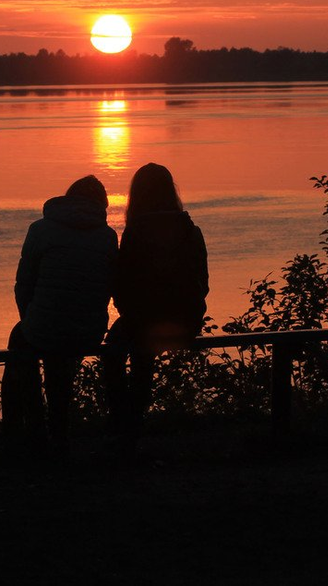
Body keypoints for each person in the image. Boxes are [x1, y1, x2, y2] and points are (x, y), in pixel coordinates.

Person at [4, 175, 118, 450]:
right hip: (88, 329)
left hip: (44, 326)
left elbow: (24, 285)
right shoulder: (107, 236)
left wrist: (31, 319)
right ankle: (57, 433)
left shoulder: (41, 230)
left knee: (22, 341)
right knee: (58, 353)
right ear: (100, 204)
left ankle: (25, 429)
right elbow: (108, 287)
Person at [103, 163, 208, 450]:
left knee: (115, 350)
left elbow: (122, 285)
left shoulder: (136, 232)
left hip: (145, 323)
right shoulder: (190, 229)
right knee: (140, 341)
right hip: (186, 322)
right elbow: (203, 280)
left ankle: (126, 423)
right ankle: (132, 425)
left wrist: (133, 315)